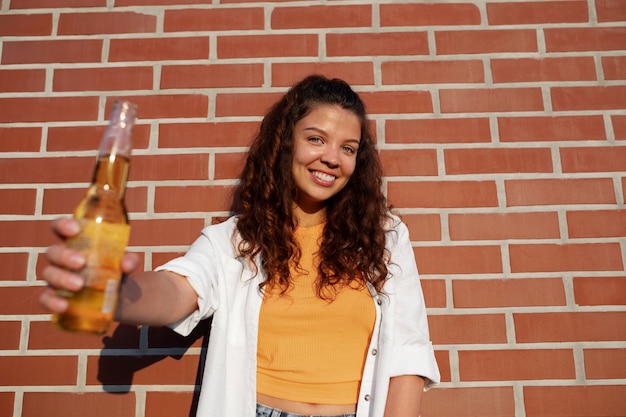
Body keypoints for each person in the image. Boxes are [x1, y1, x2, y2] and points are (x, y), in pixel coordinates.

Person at [40, 75, 440, 417]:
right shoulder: (235, 240)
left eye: (348, 148)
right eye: (316, 139)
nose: (332, 158)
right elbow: (179, 291)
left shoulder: (385, 237)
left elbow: (408, 351)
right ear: (285, 142)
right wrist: (117, 291)